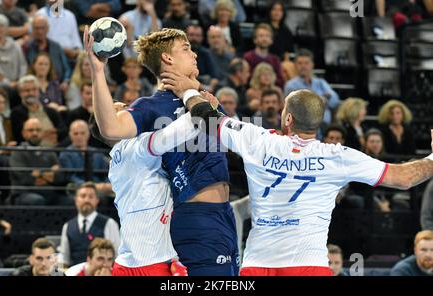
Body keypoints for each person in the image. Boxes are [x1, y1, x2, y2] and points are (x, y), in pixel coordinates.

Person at [161, 85, 433, 276]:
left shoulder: (258, 140)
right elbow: (405, 178)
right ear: (318, 122)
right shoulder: (338, 156)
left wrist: (189, 91)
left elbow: (206, 119)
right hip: (308, 265)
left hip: (258, 263)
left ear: (288, 117)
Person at [84, 27, 239, 276]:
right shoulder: (150, 107)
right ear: (167, 58)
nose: (195, 55)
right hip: (195, 218)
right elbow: (109, 127)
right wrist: (98, 70)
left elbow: (232, 141)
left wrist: (194, 93)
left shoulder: (205, 98)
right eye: (186, 49)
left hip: (224, 215)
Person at [89, 102, 196, 275]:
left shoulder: (114, 165)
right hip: (150, 264)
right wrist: (200, 108)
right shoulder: (135, 147)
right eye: (119, 109)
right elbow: (176, 132)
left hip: (125, 264)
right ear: (109, 124)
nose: (126, 105)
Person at [59, 182, 120, 267]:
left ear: (97, 200)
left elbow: (116, 256)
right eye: (83, 196)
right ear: (76, 200)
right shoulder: (67, 226)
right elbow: (64, 259)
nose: (87, 200)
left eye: (91, 197)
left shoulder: (109, 223)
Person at [9, 118, 68, 205]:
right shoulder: (18, 152)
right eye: (31, 130)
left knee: (71, 201)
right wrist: (49, 173)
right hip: (23, 193)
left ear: (43, 133)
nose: (35, 133)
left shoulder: (49, 152)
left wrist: (39, 174)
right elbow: (24, 178)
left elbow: (59, 176)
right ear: (23, 133)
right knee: (37, 200)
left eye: (38, 130)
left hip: (49, 192)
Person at [284, 49, 340, 131]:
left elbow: (335, 100)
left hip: (326, 125)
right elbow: (299, 108)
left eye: (306, 63)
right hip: (304, 127)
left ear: (312, 65)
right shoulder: (291, 85)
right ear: (295, 66)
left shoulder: (320, 82)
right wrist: (323, 99)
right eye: (300, 63)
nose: (303, 66)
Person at [59, 120, 111, 198]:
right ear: (70, 135)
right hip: (78, 189)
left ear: (88, 134)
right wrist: (90, 187)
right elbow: (70, 177)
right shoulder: (65, 154)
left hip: (100, 188)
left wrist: (106, 185)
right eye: (76, 133)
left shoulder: (97, 153)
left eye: (82, 133)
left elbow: (106, 173)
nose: (79, 136)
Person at [10, 75, 67, 147]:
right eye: (27, 90)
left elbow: (64, 131)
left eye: (34, 90)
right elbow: (20, 137)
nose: (31, 93)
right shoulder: (16, 113)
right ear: (20, 93)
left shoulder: (51, 111)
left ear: (38, 91)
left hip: (54, 150)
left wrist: (55, 133)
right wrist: (44, 134)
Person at [22, 14, 72, 89]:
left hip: (58, 85)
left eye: (42, 28)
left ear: (47, 28)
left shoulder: (56, 46)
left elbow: (67, 68)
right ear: (32, 29)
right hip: (34, 86)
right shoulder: (26, 47)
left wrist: (66, 81)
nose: (40, 31)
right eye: (37, 28)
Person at [0, 13, 27, 87]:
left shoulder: (15, 46)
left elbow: (22, 65)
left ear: (7, 28)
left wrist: (20, 81)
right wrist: (6, 82)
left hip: (18, 83)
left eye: (1, 26)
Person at [243, 23, 285, 88]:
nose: (264, 39)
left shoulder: (275, 60)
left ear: (271, 40)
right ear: (255, 40)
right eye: (261, 36)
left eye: (267, 36)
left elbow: (281, 81)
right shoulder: (247, 57)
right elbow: (246, 78)